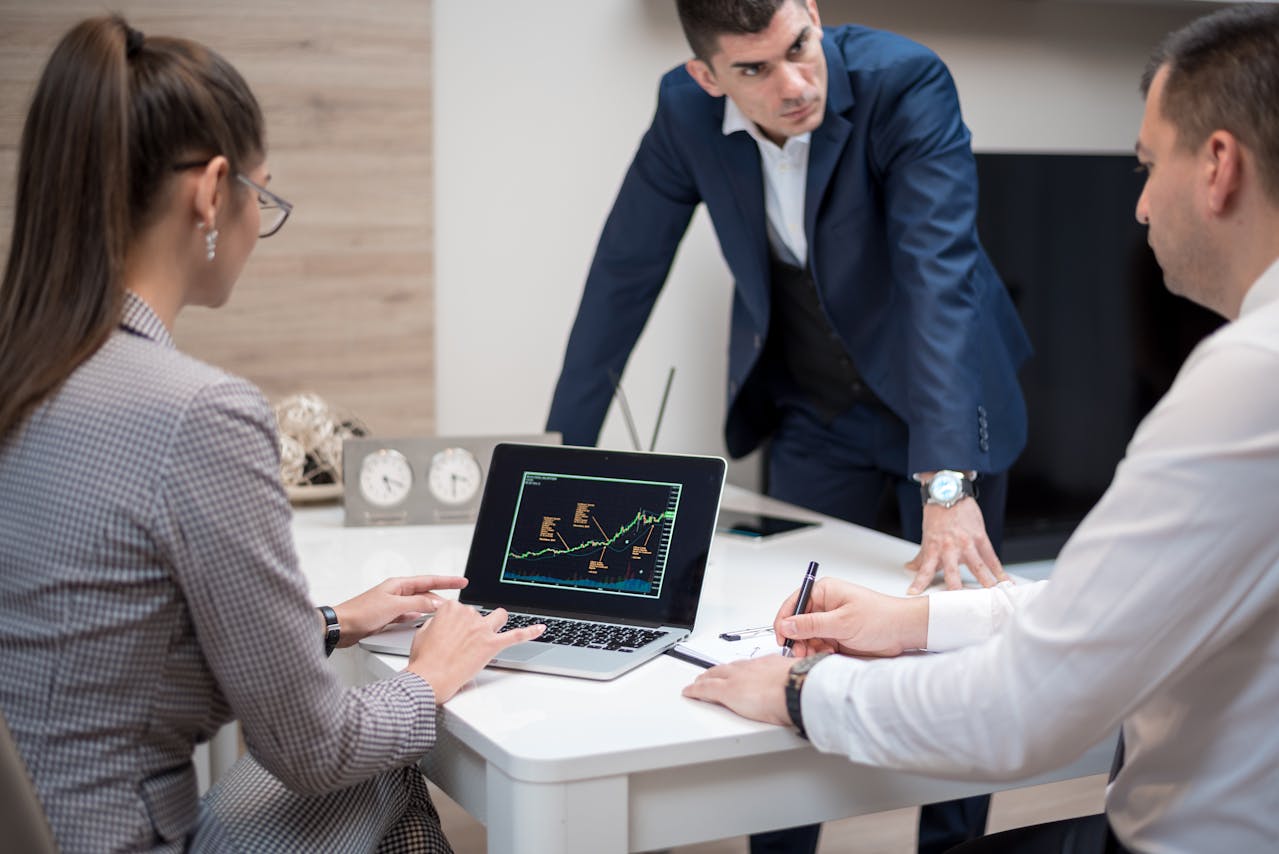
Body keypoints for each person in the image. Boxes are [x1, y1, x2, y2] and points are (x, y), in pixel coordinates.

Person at [684, 6, 1279, 851]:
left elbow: (1022, 710)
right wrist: (914, 624)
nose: (1140, 207)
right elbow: (1116, 614)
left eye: (1146, 166)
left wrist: (795, 690)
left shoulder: (1246, 381)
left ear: (1217, 165)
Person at [0, 16, 543, 852]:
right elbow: (317, 751)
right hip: (133, 837)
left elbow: (105, 641)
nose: (261, 221)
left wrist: (327, 623)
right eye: (266, 195)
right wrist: (429, 677)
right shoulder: (196, 412)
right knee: (383, 758)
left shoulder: (26, 376)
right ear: (212, 193)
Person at [546, 0, 1026, 848]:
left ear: (811, 12)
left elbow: (937, 277)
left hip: (945, 406)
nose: (794, 83)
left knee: (961, 650)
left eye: (799, 48)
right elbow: (622, 274)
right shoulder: (683, 110)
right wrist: (557, 459)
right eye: (755, 71)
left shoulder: (902, 81)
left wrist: (949, 477)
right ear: (707, 75)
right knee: (794, 632)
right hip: (814, 411)